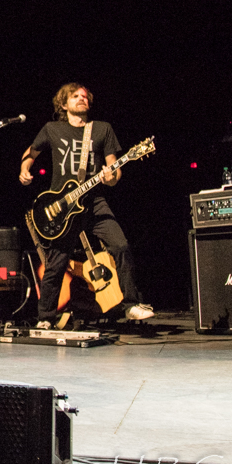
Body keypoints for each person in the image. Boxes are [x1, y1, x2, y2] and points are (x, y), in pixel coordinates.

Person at [18, 84, 153, 327]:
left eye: (85, 96)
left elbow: (115, 170)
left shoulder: (102, 129)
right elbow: (31, 153)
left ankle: (131, 305)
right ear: (63, 104)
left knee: (121, 245)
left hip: (95, 201)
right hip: (62, 207)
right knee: (56, 263)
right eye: (75, 96)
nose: (82, 99)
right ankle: (46, 318)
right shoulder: (52, 129)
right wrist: (24, 169)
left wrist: (110, 177)